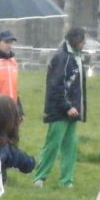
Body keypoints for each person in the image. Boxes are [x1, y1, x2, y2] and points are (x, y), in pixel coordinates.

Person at [33, 26, 87, 189]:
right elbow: (56, 85)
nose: (84, 44)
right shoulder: (62, 57)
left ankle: (67, 180)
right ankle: (40, 177)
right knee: (53, 145)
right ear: (75, 41)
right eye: (82, 40)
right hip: (59, 111)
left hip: (73, 111)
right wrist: (67, 106)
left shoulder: (76, 57)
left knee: (70, 146)